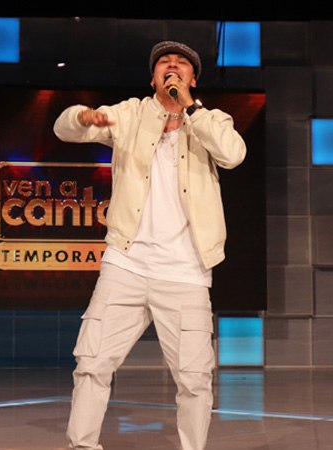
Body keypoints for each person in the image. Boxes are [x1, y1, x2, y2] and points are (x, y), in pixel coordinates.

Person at [53, 41, 246, 450]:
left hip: (186, 272)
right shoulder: (131, 114)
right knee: (92, 363)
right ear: (153, 77)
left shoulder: (211, 119)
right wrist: (82, 115)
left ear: (192, 79)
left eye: (181, 64)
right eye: (164, 63)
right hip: (126, 263)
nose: (171, 67)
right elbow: (64, 128)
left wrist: (190, 108)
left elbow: (233, 154)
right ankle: (82, 446)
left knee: (195, 379)